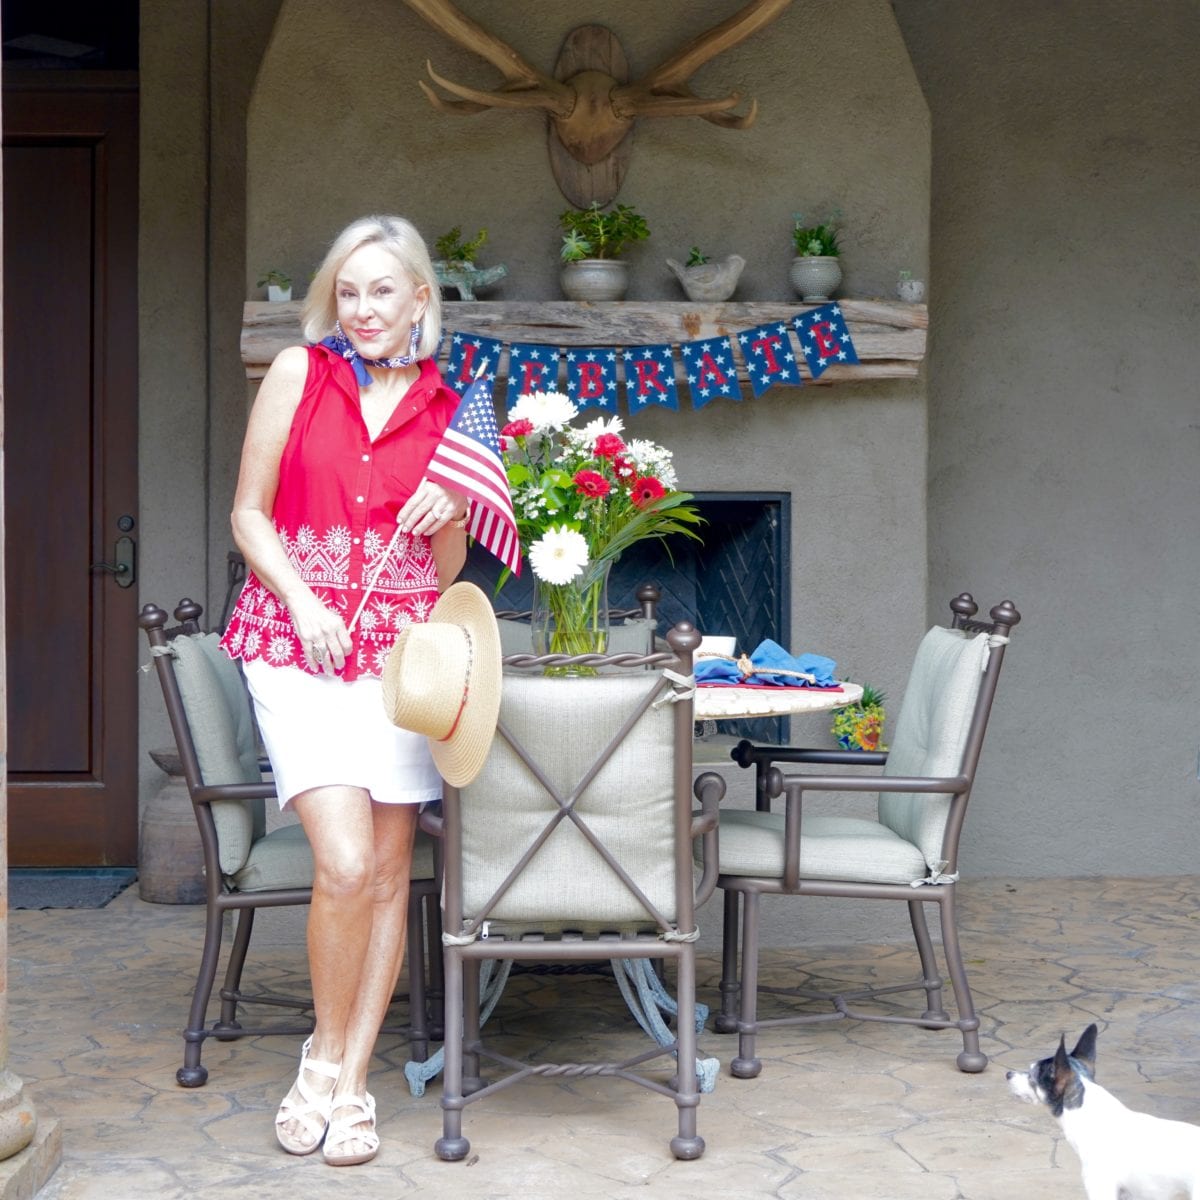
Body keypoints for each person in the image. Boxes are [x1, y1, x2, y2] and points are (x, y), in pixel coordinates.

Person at [220, 214, 470, 1166]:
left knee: (387, 875)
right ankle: (319, 1057)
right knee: (346, 863)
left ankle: (352, 1082)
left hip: (402, 658)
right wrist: (303, 599)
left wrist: (449, 511)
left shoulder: (447, 411)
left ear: (419, 301)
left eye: (383, 291)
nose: (364, 308)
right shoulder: (299, 375)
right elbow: (248, 513)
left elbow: (446, 567)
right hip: (296, 646)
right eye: (350, 290)